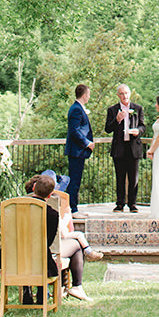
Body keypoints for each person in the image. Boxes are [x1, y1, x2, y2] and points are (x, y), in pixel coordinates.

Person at [24, 175, 93, 304]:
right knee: (77, 246)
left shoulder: (17, 208)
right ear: (50, 195)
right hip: (42, 258)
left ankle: (27, 291)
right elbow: (50, 242)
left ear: (34, 188)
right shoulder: (51, 213)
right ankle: (76, 286)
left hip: (19, 256)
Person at [105, 83, 145, 212]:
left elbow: (143, 126)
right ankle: (120, 203)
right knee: (120, 177)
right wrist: (116, 119)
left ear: (130, 94)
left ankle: (132, 204)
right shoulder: (112, 110)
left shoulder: (138, 109)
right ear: (118, 95)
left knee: (133, 178)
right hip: (119, 148)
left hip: (133, 147)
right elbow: (107, 129)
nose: (124, 96)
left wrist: (138, 131)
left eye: (126, 93)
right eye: (121, 94)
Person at [64, 84, 94, 218]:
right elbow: (74, 131)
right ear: (84, 95)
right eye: (88, 94)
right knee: (74, 180)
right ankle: (73, 210)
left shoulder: (77, 108)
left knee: (76, 179)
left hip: (77, 151)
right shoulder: (76, 109)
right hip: (76, 151)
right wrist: (87, 143)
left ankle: (74, 208)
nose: (89, 96)